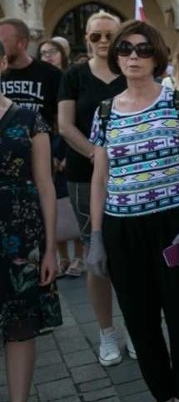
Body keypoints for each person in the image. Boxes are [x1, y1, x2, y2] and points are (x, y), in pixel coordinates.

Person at [86, 20, 179, 402]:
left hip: (173, 224)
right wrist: (97, 238)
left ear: (156, 56)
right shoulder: (104, 112)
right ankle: (164, 396)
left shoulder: (178, 102)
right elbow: (100, 181)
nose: (132, 57)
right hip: (123, 231)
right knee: (140, 322)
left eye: (142, 49)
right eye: (124, 49)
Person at [58, 11, 131, 366]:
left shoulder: (128, 70)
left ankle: (134, 326)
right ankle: (106, 332)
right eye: (97, 36)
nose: (103, 42)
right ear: (86, 38)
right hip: (84, 175)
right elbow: (65, 125)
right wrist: (96, 155)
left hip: (129, 174)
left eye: (109, 36)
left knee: (130, 252)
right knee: (96, 253)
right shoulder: (74, 76)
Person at [0, 40, 61, 402]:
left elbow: (46, 187)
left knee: (20, 327)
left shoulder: (29, 118)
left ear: (3, 63)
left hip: (21, 236)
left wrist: (51, 248)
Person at [38, 39, 85, 278]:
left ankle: (78, 255)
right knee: (53, 204)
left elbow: (71, 120)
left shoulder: (70, 77)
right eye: (43, 53)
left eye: (52, 52)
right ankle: (62, 258)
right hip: (46, 142)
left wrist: (67, 152)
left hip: (67, 143)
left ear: (62, 54)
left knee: (69, 204)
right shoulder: (42, 79)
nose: (48, 56)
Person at [0, 18, 63, 128]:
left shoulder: (51, 74)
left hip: (43, 140)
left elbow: (60, 120)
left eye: (2, 42)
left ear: (22, 43)